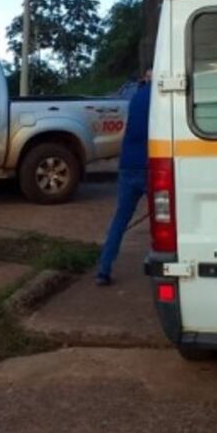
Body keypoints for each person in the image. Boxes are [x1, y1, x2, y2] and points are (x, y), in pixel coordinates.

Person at [96, 69, 152, 286]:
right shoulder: (160, 98)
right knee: (163, 221)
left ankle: (104, 269)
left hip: (127, 164)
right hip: (150, 165)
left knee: (120, 219)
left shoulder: (136, 97)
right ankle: (164, 266)